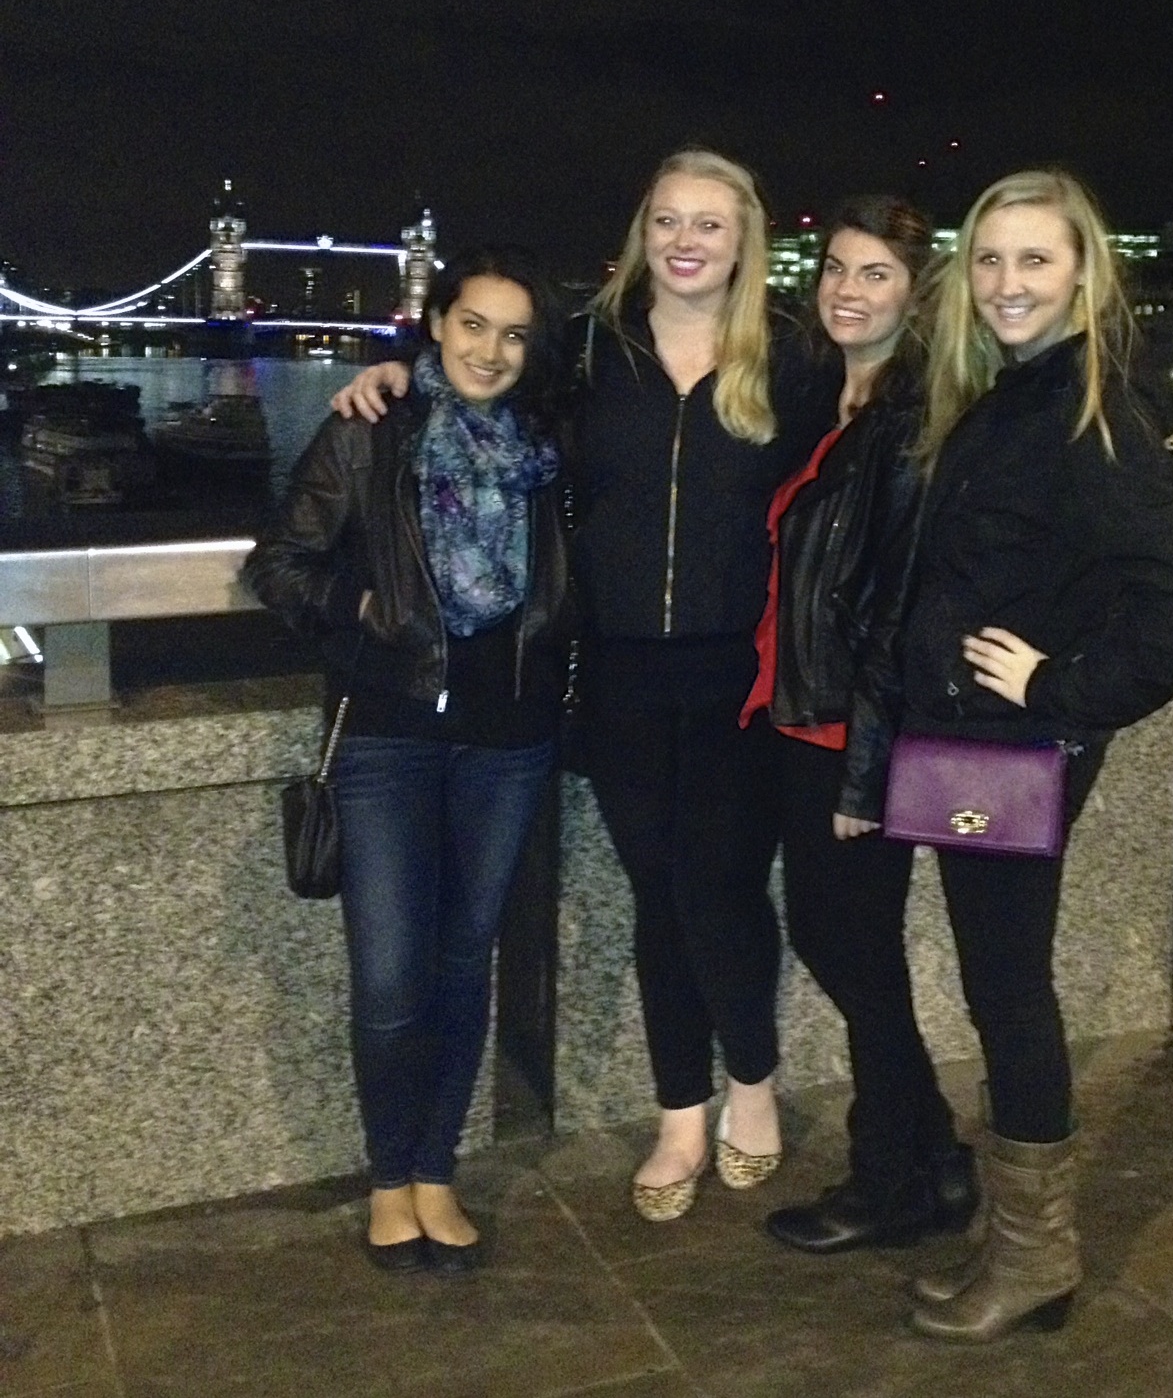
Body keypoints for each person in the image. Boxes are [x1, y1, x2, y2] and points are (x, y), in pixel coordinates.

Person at [332, 150, 835, 1222]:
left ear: (744, 240)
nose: (686, 241)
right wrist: (391, 372)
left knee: (722, 887)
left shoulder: (794, 358)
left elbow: (855, 466)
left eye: (710, 223)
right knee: (658, 891)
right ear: (643, 231)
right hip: (616, 672)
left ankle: (752, 1081)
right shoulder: (594, 349)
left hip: (743, 675)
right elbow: (484, 383)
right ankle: (680, 1111)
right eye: (667, 219)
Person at [895, 169, 1173, 1341]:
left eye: (1035, 259)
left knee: (1012, 992)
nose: (1006, 282)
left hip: (1012, 746)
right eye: (989, 259)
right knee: (1002, 986)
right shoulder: (1013, 393)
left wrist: (1055, 687)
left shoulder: (1092, 416)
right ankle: (1015, 1234)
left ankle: (1037, 1255)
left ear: (1084, 274)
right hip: (972, 743)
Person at [245, 246, 572, 1273]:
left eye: (514, 335)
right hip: (386, 737)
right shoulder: (370, 429)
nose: (491, 351)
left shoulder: (548, 447)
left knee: (464, 963)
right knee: (390, 976)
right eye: (473, 324)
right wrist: (361, 605)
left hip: (508, 742)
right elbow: (277, 564)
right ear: (437, 323)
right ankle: (390, 1177)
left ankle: (437, 1169)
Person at [737, 196, 980, 1258]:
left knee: (851, 947)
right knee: (844, 943)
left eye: (875, 273)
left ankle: (890, 1182)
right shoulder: (827, 397)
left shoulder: (914, 422)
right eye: (836, 267)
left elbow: (894, 610)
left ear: (915, 293)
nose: (846, 289)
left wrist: (866, 774)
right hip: (801, 716)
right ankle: (933, 1154)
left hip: (849, 733)